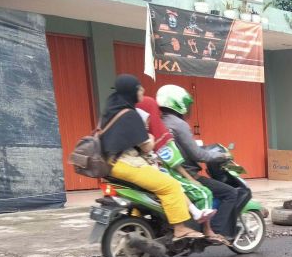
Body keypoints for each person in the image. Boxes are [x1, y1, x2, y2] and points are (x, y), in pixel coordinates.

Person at [100, 75, 203, 241]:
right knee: (170, 186)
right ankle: (180, 229)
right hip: (127, 164)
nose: (143, 90)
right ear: (131, 91)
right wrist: (150, 134)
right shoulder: (131, 115)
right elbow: (147, 146)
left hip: (110, 165)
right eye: (139, 88)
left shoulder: (111, 111)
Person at [135, 97, 227, 244]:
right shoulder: (158, 135)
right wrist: (190, 179)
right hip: (163, 175)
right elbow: (176, 161)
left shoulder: (133, 133)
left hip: (142, 176)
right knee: (204, 192)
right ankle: (207, 230)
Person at [157, 85, 240, 242]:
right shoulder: (179, 125)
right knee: (230, 193)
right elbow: (197, 154)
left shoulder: (161, 122)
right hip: (185, 173)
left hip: (168, 171)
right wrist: (221, 155)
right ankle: (212, 232)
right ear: (179, 104)